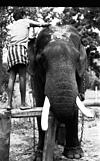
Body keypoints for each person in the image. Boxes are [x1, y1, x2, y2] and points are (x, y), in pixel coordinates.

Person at [6, 9, 50, 110]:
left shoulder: (12, 25)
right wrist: (47, 24)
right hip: (20, 49)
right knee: (22, 76)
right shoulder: (26, 21)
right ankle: (23, 104)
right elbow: (40, 25)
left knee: (12, 77)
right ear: (22, 15)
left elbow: (16, 37)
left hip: (11, 50)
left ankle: (8, 104)